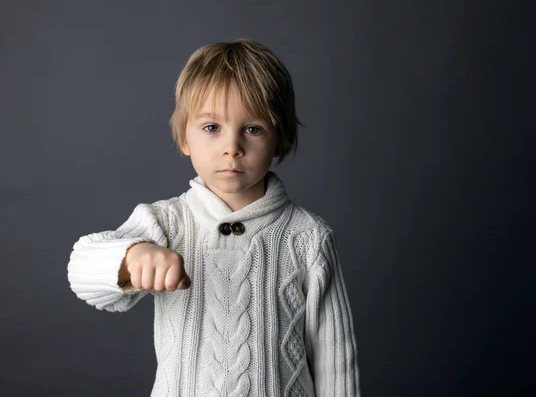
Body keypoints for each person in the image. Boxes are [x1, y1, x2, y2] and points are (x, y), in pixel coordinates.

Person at [67, 38, 360, 396]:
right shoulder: (166, 224)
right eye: (211, 128)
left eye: (253, 129)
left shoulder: (308, 237)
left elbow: (336, 362)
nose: (231, 147)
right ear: (184, 137)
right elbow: (82, 271)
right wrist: (132, 257)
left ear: (280, 138)